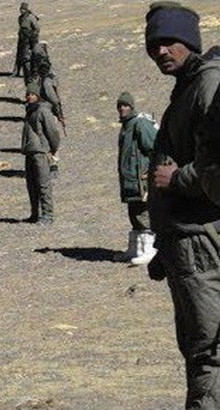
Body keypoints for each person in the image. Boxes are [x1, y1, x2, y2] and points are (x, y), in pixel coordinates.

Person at [144, 2, 220, 408]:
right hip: (187, 248)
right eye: (153, 44)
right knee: (199, 350)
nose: (161, 51)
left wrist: (178, 179)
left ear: (190, 41)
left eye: (169, 41)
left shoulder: (208, 85)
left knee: (209, 355)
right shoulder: (187, 88)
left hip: (203, 247)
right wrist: (165, 247)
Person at [113, 91, 157, 264]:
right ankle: (135, 249)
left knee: (144, 214)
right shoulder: (126, 126)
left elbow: (154, 147)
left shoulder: (140, 124)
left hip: (141, 180)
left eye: (125, 105)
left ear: (131, 106)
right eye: (120, 106)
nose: (122, 108)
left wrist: (150, 171)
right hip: (130, 180)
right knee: (134, 213)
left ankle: (150, 250)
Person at [21, 83, 60, 225]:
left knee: (43, 184)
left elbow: (53, 132)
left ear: (38, 96)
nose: (29, 97)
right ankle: (35, 214)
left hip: (41, 152)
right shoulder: (30, 110)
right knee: (31, 185)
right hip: (30, 152)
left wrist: (52, 149)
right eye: (28, 94)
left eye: (32, 94)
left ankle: (48, 215)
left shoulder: (43, 111)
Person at [12, 2, 40, 79]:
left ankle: (32, 72)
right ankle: (17, 71)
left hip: (30, 38)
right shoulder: (20, 18)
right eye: (21, 9)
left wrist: (32, 37)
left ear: (26, 9)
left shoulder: (31, 17)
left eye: (23, 9)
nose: (22, 11)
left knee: (29, 55)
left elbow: (37, 28)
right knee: (20, 54)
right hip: (22, 38)